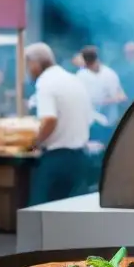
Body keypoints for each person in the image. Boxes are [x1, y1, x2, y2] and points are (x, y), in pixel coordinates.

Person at [26, 43, 93, 205]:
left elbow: (49, 119)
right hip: (79, 158)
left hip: (56, 160)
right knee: (68, 214)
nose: (28, 70)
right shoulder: (73, 79)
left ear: (35, 63)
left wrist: (36, 142)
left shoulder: (45, 82)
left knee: (40, 213)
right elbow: (89, 117)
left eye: (27, 65)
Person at [76, 45, 126, 126]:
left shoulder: (109, 73)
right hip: (91, 122)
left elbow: (122, 96)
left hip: (110, 121)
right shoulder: (81, 76)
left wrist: (111, 100)